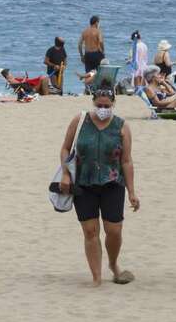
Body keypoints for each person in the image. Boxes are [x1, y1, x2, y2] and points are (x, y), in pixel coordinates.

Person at [59, 83, 139, 287]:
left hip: (112, 183)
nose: (103, 108)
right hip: (83, 184)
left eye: (107, 105)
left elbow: (127, 161)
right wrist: (66, 174)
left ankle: (113, 264)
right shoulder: (80, 121)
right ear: (93, 101)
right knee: (90, 231)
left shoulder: (121, 126)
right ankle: (96, 277)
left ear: (113, 103)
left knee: (113, 231)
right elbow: (66, 149)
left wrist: (132, 191)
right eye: (99, 104)